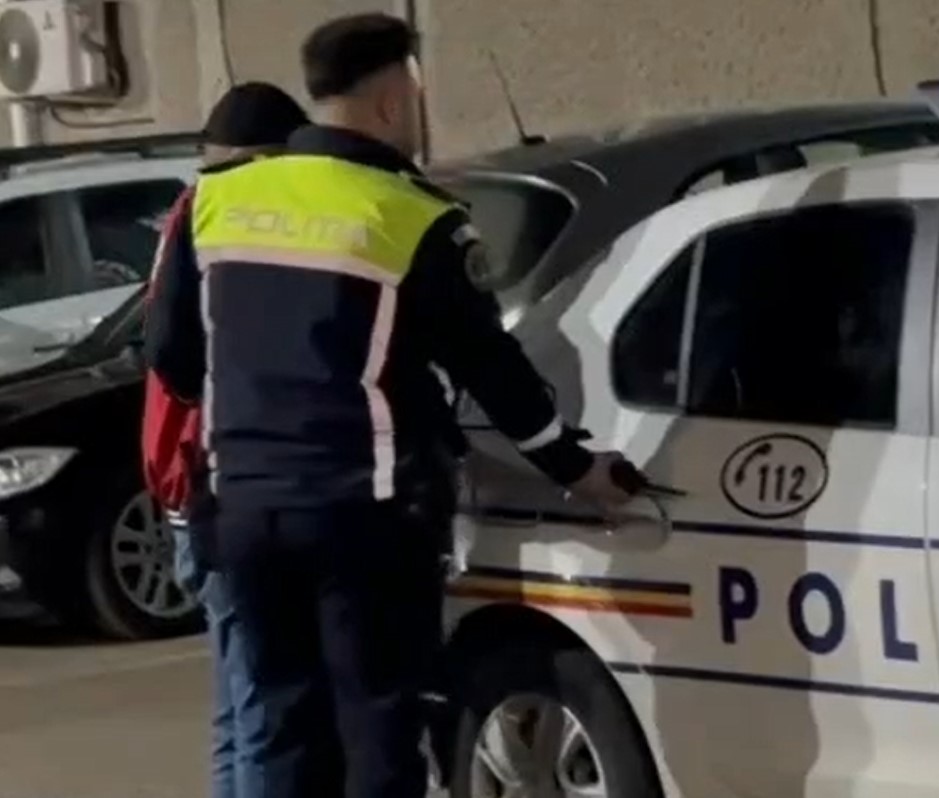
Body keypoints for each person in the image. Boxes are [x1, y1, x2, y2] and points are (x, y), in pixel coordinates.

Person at [143, 12, 635, 798]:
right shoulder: (412, 215)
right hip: (361, 517)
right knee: (378, 729)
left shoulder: (217, 200)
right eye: (415, 94)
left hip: (243, 511)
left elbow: (169, 353)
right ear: (389, 102)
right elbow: (492, 369)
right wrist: (576, 467)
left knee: (284, 728)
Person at [142, 80, 319, 798]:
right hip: (221, 479)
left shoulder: (194, 214)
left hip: (189, 483)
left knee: (236, 705)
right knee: (261, 710)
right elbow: (176, 355)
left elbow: (166, 351)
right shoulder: (229, 218)